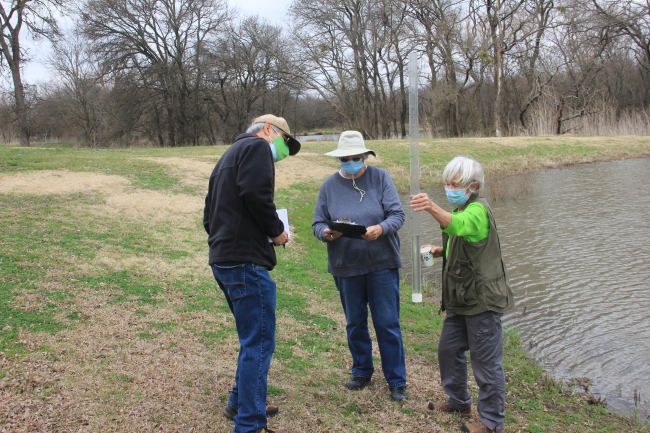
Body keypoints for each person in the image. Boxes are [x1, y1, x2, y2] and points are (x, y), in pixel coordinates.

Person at [203, 114, 301, 433]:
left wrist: (224, 242)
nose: (284, 152)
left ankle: (241, 401)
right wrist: (276, 231)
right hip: (245, 262)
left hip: (223, 259)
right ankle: (249, 424)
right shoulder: (257, 147)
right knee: (259, 342)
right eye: (285, 141)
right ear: (269, 129)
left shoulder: (227, 156)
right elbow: (257, 195)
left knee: (251, 339)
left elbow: (208, 215)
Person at [410, 156, 515, 433]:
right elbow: (463, 242)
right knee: (448, 349)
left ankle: (491, 421)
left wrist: (430, 206)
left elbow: (459, 226)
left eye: (455, 184)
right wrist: (437, 251)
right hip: (461, 299)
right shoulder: (460, 208)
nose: (449, 188)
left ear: (473, 186)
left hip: (482, 300)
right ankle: (458, 402)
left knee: (486, 363)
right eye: (447, 183)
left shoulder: (477, 210)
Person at [312, 130, 408, 401]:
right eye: (346, 159)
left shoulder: (381, 177)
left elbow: (397, 215)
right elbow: (317, 223)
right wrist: (326, 234)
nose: (351, 162)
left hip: (382, 262)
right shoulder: (328, 186)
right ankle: (362, 371)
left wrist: (381, 228)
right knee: (355, 323)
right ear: (339, 159)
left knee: (387, 323)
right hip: (346, 265)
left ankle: (396, 380)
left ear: (365, 156)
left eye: (356, 158)